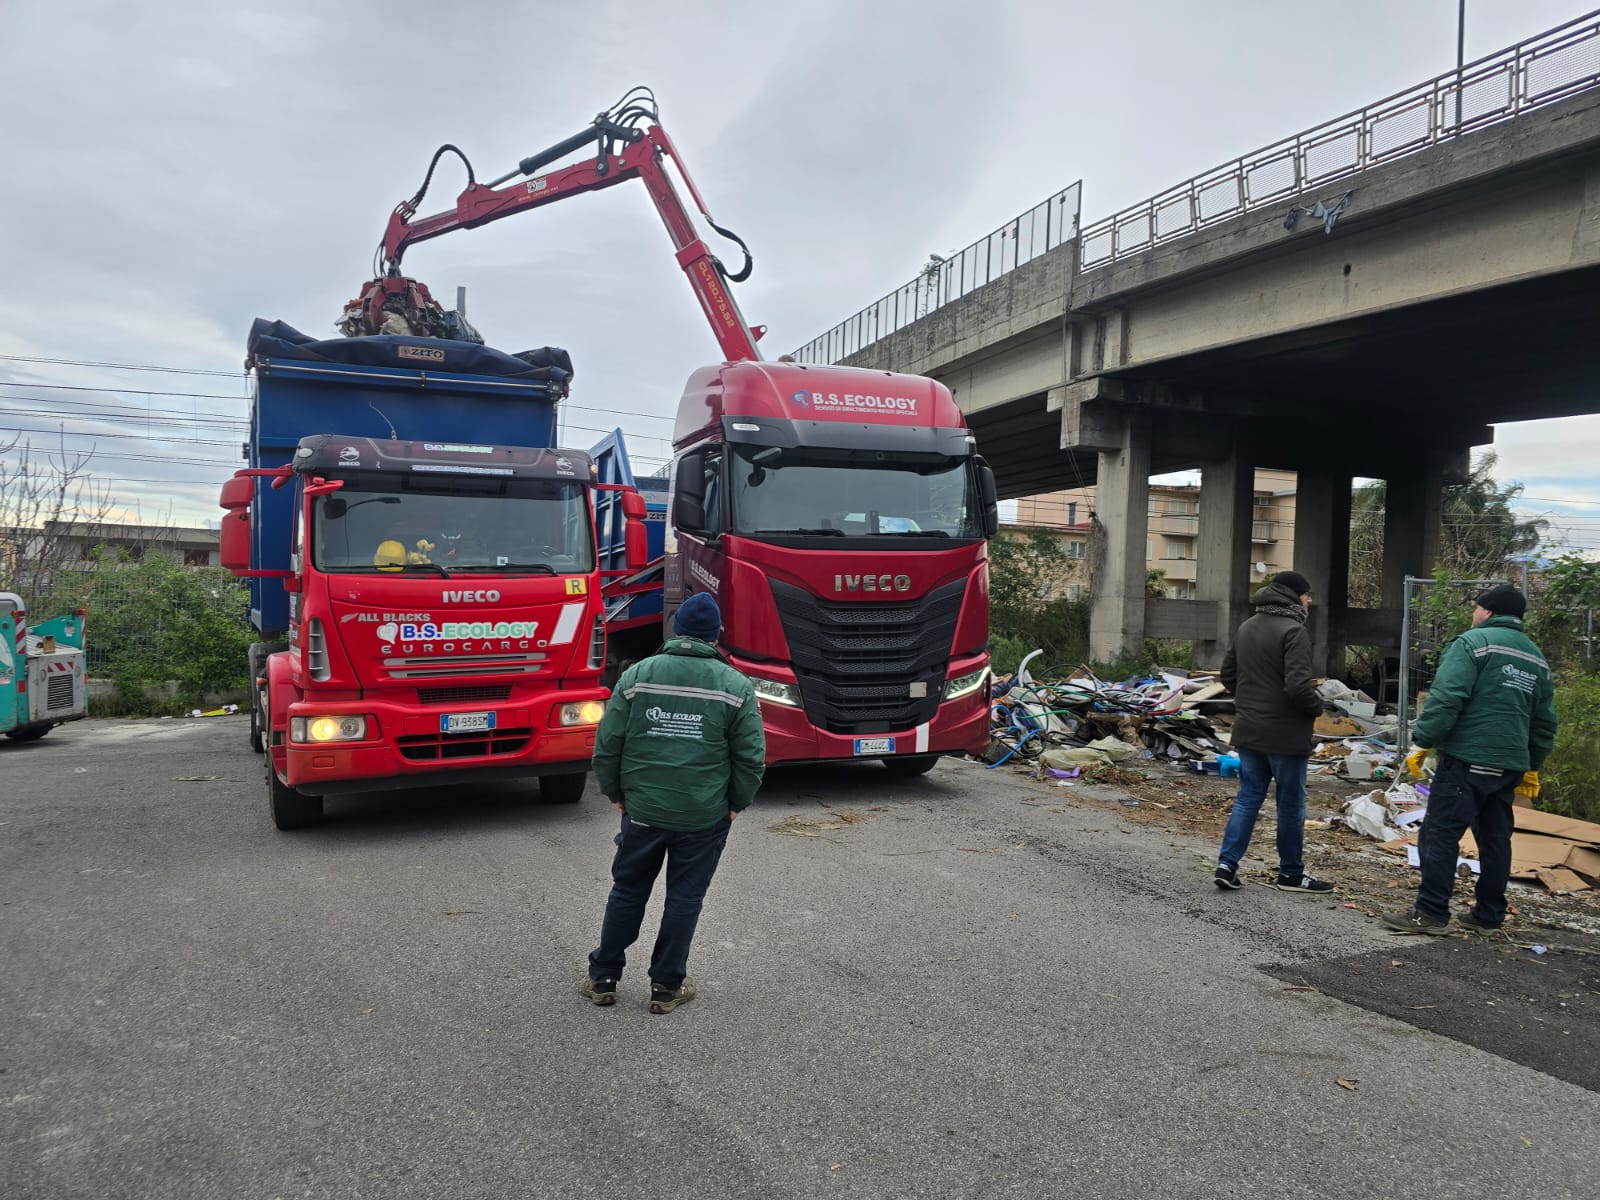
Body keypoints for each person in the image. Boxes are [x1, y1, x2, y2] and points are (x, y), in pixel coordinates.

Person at [583, 592, 766, 1013]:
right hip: (703, 816)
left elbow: (607, 745)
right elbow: (751, 757)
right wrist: (736, 803)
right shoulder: (736, 686)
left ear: (677, 629)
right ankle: (666, 988)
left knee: (627, 892)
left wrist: (616, 794)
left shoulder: (637, 676)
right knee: (684, 899)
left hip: (643, 812)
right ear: (715, 636)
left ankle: (603, 978)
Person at [1382, 585, 1557, 935]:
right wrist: (1531, 764)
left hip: (1468, 758)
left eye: (1476, 608)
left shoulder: (1473, 643)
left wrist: (1424, 741)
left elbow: (1448, 697)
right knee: (1495, 838)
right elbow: (1544, 721)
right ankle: (1489, 915)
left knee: (1440, 833)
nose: (1473, 615)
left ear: (1487, 611)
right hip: (1509, 764)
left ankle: (1430, 913)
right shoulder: (1536, 658)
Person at [1213, 570, 1334, 894]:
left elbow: (1228, 675)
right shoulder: (1294, 631)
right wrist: (1316, 706)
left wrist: (1251, 700)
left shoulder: (1247, 626)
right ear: (1294, 596)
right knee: (1291, 804)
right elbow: (1297, 687)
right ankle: (1291, 874)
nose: (1310, 601)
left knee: (1248, 797)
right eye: (1307, 595)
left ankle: (1227, 864)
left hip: (1249, 729)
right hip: (1286, 734)